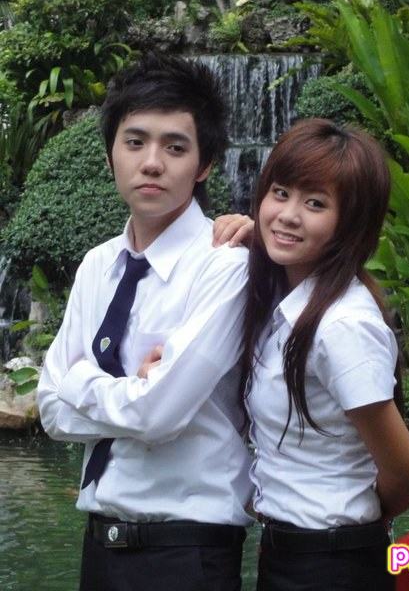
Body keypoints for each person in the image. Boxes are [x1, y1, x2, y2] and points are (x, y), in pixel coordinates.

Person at [37, 52, 253, 591]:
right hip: (99, 545)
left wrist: (79, 380)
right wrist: (132, 393)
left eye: (175, 147)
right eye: (134, 142)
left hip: (187, 553)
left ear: (204, 165)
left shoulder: (225, 266)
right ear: (110, 153)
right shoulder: (97, 265)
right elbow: (50, 412)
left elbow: (158, 415)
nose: (152, 162)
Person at [242, 118, 409, 591]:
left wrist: (351, 529)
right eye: (280, 193)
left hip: (331, 564)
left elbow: (408, 473)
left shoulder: (342, 327)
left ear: (351, 223)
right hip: (290, 553)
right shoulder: (290, 301)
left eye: (315, 203)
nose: (288, 215)